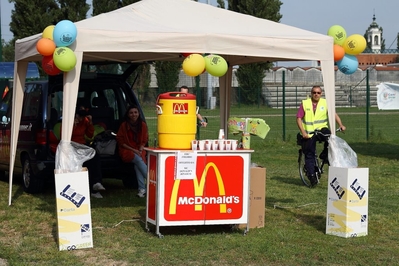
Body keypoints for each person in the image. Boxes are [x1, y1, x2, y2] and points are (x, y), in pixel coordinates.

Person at [296, 86, 346, 187]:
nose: (316, 94)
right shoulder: (305, 104)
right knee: (309, 154)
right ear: (311, 93)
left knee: (330, 137)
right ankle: (311, 175)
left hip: (321, 129)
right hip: (309, 133)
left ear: (321, 93)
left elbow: (334, 114)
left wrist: (341, 125)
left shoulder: (325, 103)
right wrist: (303, 132)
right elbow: (298, 119)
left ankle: (325, 154)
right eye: (314, 92)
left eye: (318, 93)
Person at [72, 105, 106, 198]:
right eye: (79, 115)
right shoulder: (68, 122)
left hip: (82, 145)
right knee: (85, 162)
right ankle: (90, 189)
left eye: (83, 115)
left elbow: (90, 135)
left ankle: (96, 184)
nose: (81, 118)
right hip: (71, 145)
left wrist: (90, 123)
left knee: (94, 156)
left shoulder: (85, 121)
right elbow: (64, 137)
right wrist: (73, 125)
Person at [116, 105, 149, 198]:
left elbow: (145, 139)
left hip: (139, 149)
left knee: (138, 165)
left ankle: (142, 189)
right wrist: (134, 150)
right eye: (131, 113)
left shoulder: (142, 125)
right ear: (128, 114)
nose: (133, 114)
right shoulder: (124, 125)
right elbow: (120, 141)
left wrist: (141, 148)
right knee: (138, 160)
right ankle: (153, 181)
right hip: (127, 149)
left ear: (138, 113)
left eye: (135, 112)